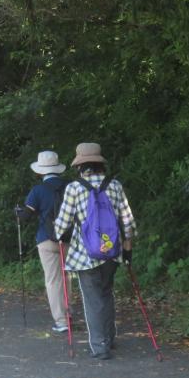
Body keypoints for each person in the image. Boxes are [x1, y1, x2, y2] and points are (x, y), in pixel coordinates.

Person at [54, 143, 136, 360]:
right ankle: (109, 338)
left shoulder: (74, 188)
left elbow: (61, 225)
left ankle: (100, 347)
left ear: (80, 165)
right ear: (100, 163)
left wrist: (62, 235)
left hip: (85, 255)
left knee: (93, 300)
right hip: (112, 252)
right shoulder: (115, 185)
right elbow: (128, 222)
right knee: (106, 294)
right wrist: (127, 251)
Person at [15, 150, 70, 333]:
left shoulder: (37, 190)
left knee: (53, 280)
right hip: (69, 238)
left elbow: (26, 216)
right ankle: (68, 314)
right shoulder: (70, 186)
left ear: (40, 171)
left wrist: (17, 212)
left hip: (46, 239)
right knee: (67, 277)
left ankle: (61, 321)